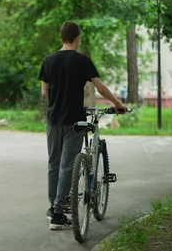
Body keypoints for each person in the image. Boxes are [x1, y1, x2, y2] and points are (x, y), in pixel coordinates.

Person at [38, 21, 127, 230]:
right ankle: (58, 214)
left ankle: (54, 206)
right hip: (74, 121)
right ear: (77, 38)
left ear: (62, 38)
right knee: (68, 165)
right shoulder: (81, 61)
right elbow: (100, 88)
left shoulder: (48, 60)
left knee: (54, 163)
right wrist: (118, 104)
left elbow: (44, 92)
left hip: (53, 120)